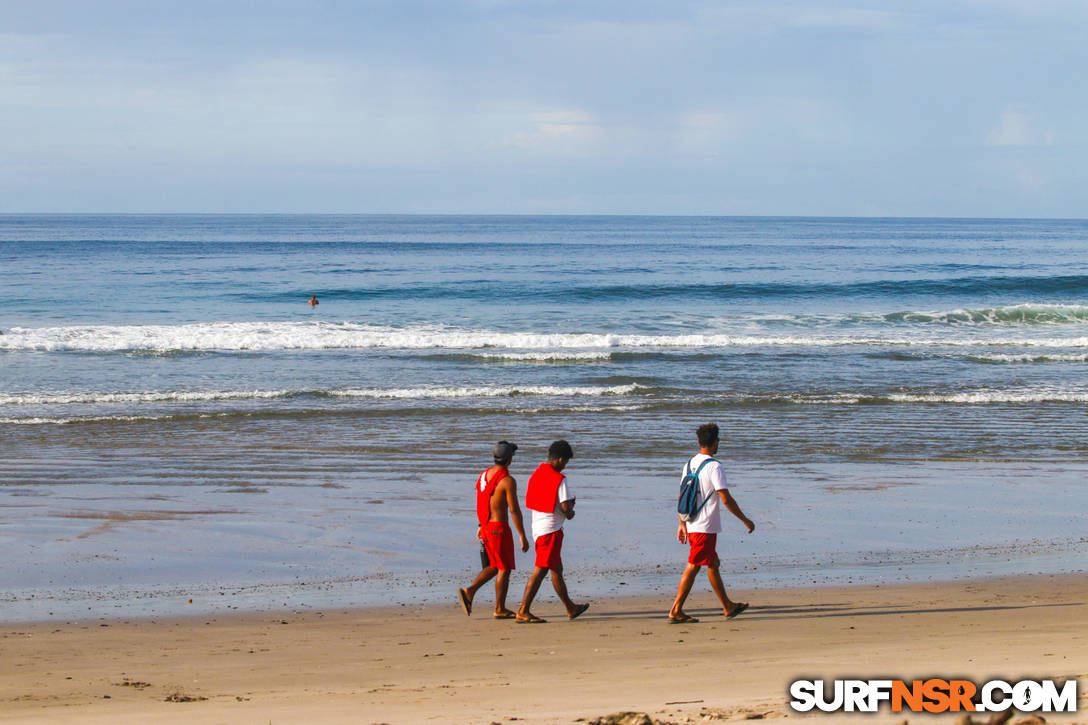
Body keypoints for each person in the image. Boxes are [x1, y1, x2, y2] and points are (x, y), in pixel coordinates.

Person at [668, 422, 755, 624]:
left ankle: (728, 606)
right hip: (705, 526)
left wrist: (681, 524)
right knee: (693, 565)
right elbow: (725, 498)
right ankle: (675, 610)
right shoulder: (715, 466)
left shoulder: (689, 464)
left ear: (699, 441)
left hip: (692, 523)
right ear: (716, 443)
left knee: (713, 563)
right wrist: (745, 519)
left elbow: (681, 495)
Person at [516, 440, 590, 623]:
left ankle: (570, 607)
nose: (564, 466)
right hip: (551, 531)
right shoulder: (560, 479)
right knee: (540, 571)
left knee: (557, 570)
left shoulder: (537, 473)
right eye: (565, 462)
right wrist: (571, 509)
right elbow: (566, 508)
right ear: (559, 459)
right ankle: (523, 610)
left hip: (538, 528)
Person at [457, 441, 529, 619]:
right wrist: (522, 535)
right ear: (510, 458)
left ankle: (470, 592)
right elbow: (514, 510)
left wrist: (480, 525)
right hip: (499, 528)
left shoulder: (484, 475)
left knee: (494, 566)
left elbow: (481, 500)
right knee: (504, 568)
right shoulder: (507, 481)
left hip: (487, 526)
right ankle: (498, 608)